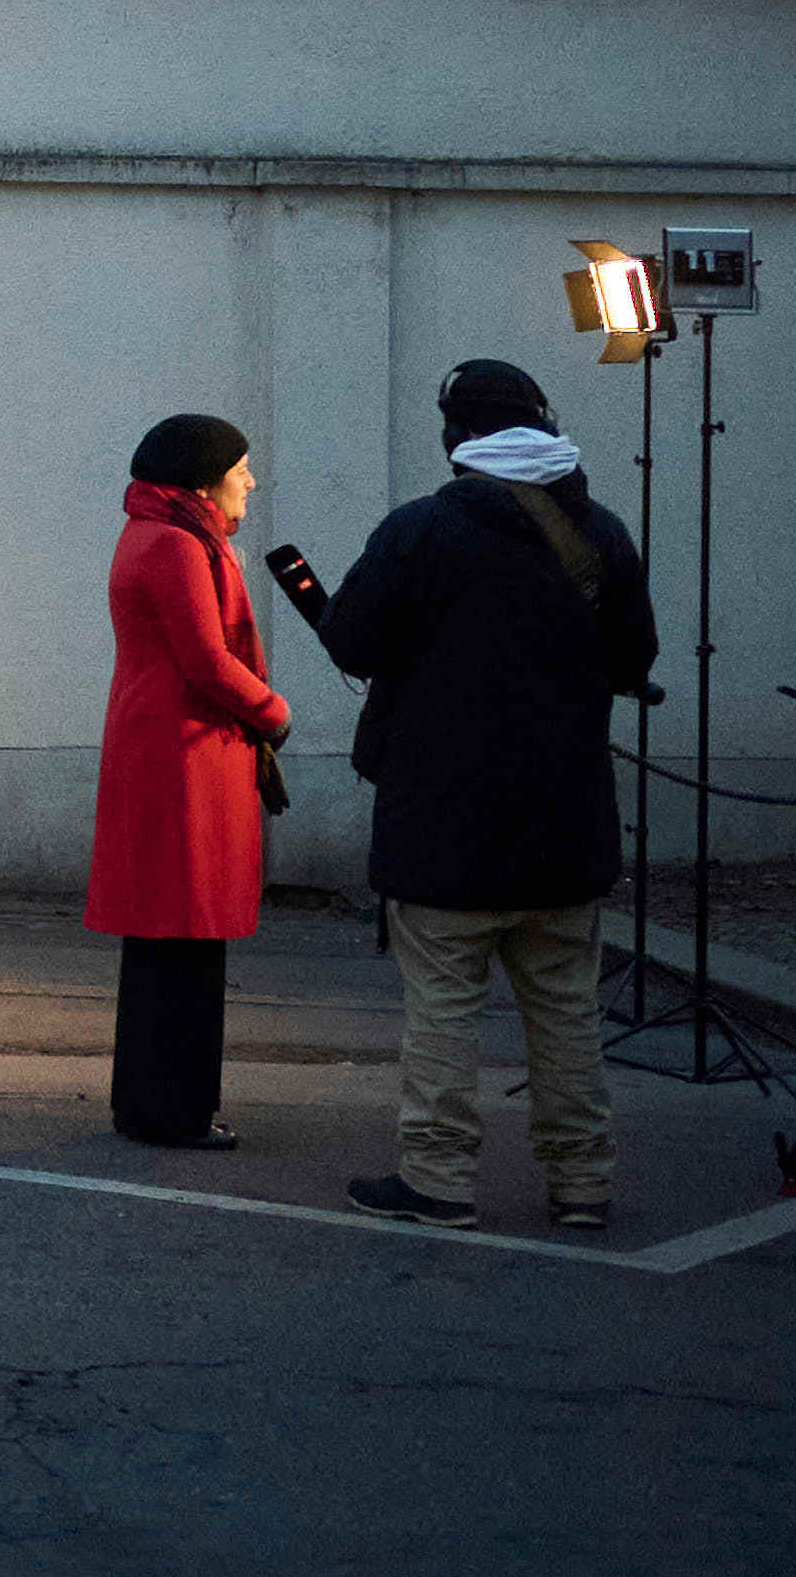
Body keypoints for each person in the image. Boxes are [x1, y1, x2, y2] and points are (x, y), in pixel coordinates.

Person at [313, 360, 659, 1230]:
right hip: (565, 820)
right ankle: (582, 1183)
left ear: (454, 439)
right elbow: (633, 661)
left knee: (442, 1010)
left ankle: (438, 1179)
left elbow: (352, 642)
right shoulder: (604, 533)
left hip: (442, 821)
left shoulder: (420, 530)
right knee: (565, 1011)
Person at [84, 415, 287, 1151]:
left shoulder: (158, 531)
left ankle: (146, 1104)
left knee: (160, 945)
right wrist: (273, 709)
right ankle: (175, 1111)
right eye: (240, 470)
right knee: (186, 945)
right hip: (184, 759)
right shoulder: (176, 544)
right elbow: (204, 659)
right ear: (203, 480)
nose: (250, 482)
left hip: (162, 750)